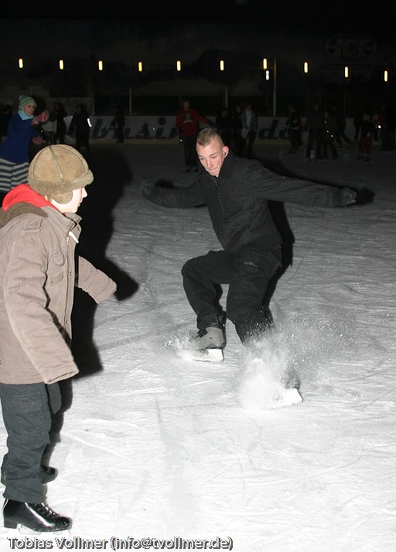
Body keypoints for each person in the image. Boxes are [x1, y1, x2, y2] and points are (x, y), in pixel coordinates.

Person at [141, 128, 357, 362]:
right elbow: (183, 197)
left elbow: (289, 188)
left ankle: (276, 372)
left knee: (241, 307)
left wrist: (333, 196)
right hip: (238, 254)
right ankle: (211, 334)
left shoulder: (246, 172)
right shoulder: (207, 180)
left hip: (263, 250)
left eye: (213, 157)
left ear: (224, 151)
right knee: (193, 271)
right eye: (202, 159)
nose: (209, 165)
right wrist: (155, 194)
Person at [0, 144, 117, 532]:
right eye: (80, 187)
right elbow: (20, 300)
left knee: (51, 404)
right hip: (19, 349)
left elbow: (66, 263)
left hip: (35, 345)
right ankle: (21, 499)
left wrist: (100, 283)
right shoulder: (30, 230)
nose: (86, 193)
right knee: (31, 425)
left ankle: (24, 463)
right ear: (57, 191)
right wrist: (52, 357)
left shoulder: (50, 220)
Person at [0, 95, 48, 201]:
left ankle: (17, 207)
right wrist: (36, 119)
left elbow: (31, 131)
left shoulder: (29, 122)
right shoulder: (16, 119)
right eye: (29, 106)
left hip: (21, 158)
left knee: (21, 186)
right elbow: (21, 126)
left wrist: (36, 138)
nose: (31, 109)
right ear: (22, 107)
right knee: (3, 188)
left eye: (33, 107)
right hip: (7, 157)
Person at [176, 99, 210, 172]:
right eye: (185, 104)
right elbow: (178, 122)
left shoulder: (193, 112)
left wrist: (207, 121)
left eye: (187, 104)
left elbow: (199, 118)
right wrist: (179, 129)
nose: (186, 105)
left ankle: (194, 165)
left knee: (194, 150)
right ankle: (188, 165)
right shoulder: (181, 113)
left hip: (193, 134)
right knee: (187, 150)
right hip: (185, 134)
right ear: (183, 105)